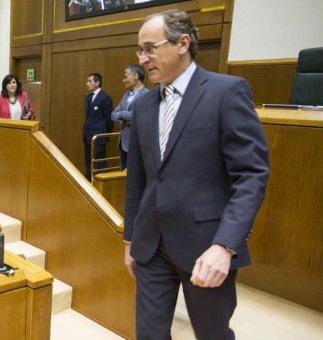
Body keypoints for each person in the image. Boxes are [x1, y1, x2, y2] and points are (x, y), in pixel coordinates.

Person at [123, 10, 269, 340]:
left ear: (182, 43)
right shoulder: (143, 105)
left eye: (149, 48)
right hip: (151, 245)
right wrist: (130, 238)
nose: (143, 59)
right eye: (140, 51)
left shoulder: (226, 92)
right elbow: (139, 181)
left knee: (212, 334)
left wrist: (226, 246)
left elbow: (252, 174)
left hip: (207, 247)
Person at [111, 64, 147, 170]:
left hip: (136, 143)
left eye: (126, 77)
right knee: (121, 174)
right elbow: (113, 115)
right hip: (123, 142)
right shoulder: (126, 95)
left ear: (135, 76)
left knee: (134, 174)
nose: (123, 80)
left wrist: (121, 113)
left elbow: (138, 115)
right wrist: (125, 121)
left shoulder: (147, 94)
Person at [83, 72, 113, 181]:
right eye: (87, 81)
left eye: (90, 81)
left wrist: (104, 133)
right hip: (87, 135)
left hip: (99, 136)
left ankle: (100, 188)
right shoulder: (88, 98)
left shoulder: (105, 98)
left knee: (100, 164)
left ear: (97, 83)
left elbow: (109, 119)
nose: (87, 83)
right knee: (88, 164)